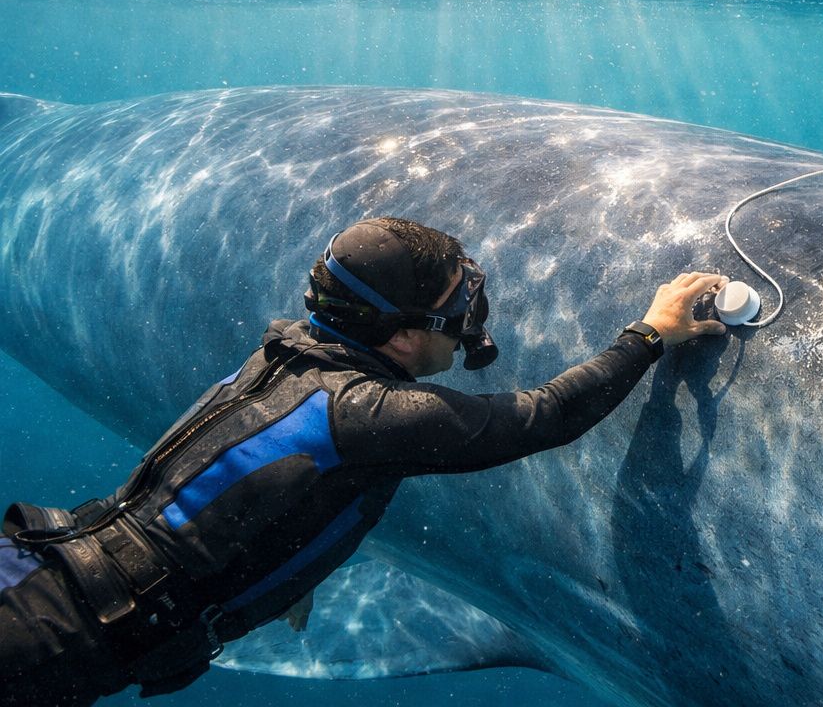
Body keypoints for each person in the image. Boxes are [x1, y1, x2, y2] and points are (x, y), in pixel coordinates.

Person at [0, 217, 726, 706]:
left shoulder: (280, 354)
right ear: (405, 337)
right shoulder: (370, 416)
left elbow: (241, 468)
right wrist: (650, 333)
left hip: (38, 563)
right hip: (58, 638)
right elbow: (547, 418)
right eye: (459, 310)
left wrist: (269, 560)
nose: (472, 326)